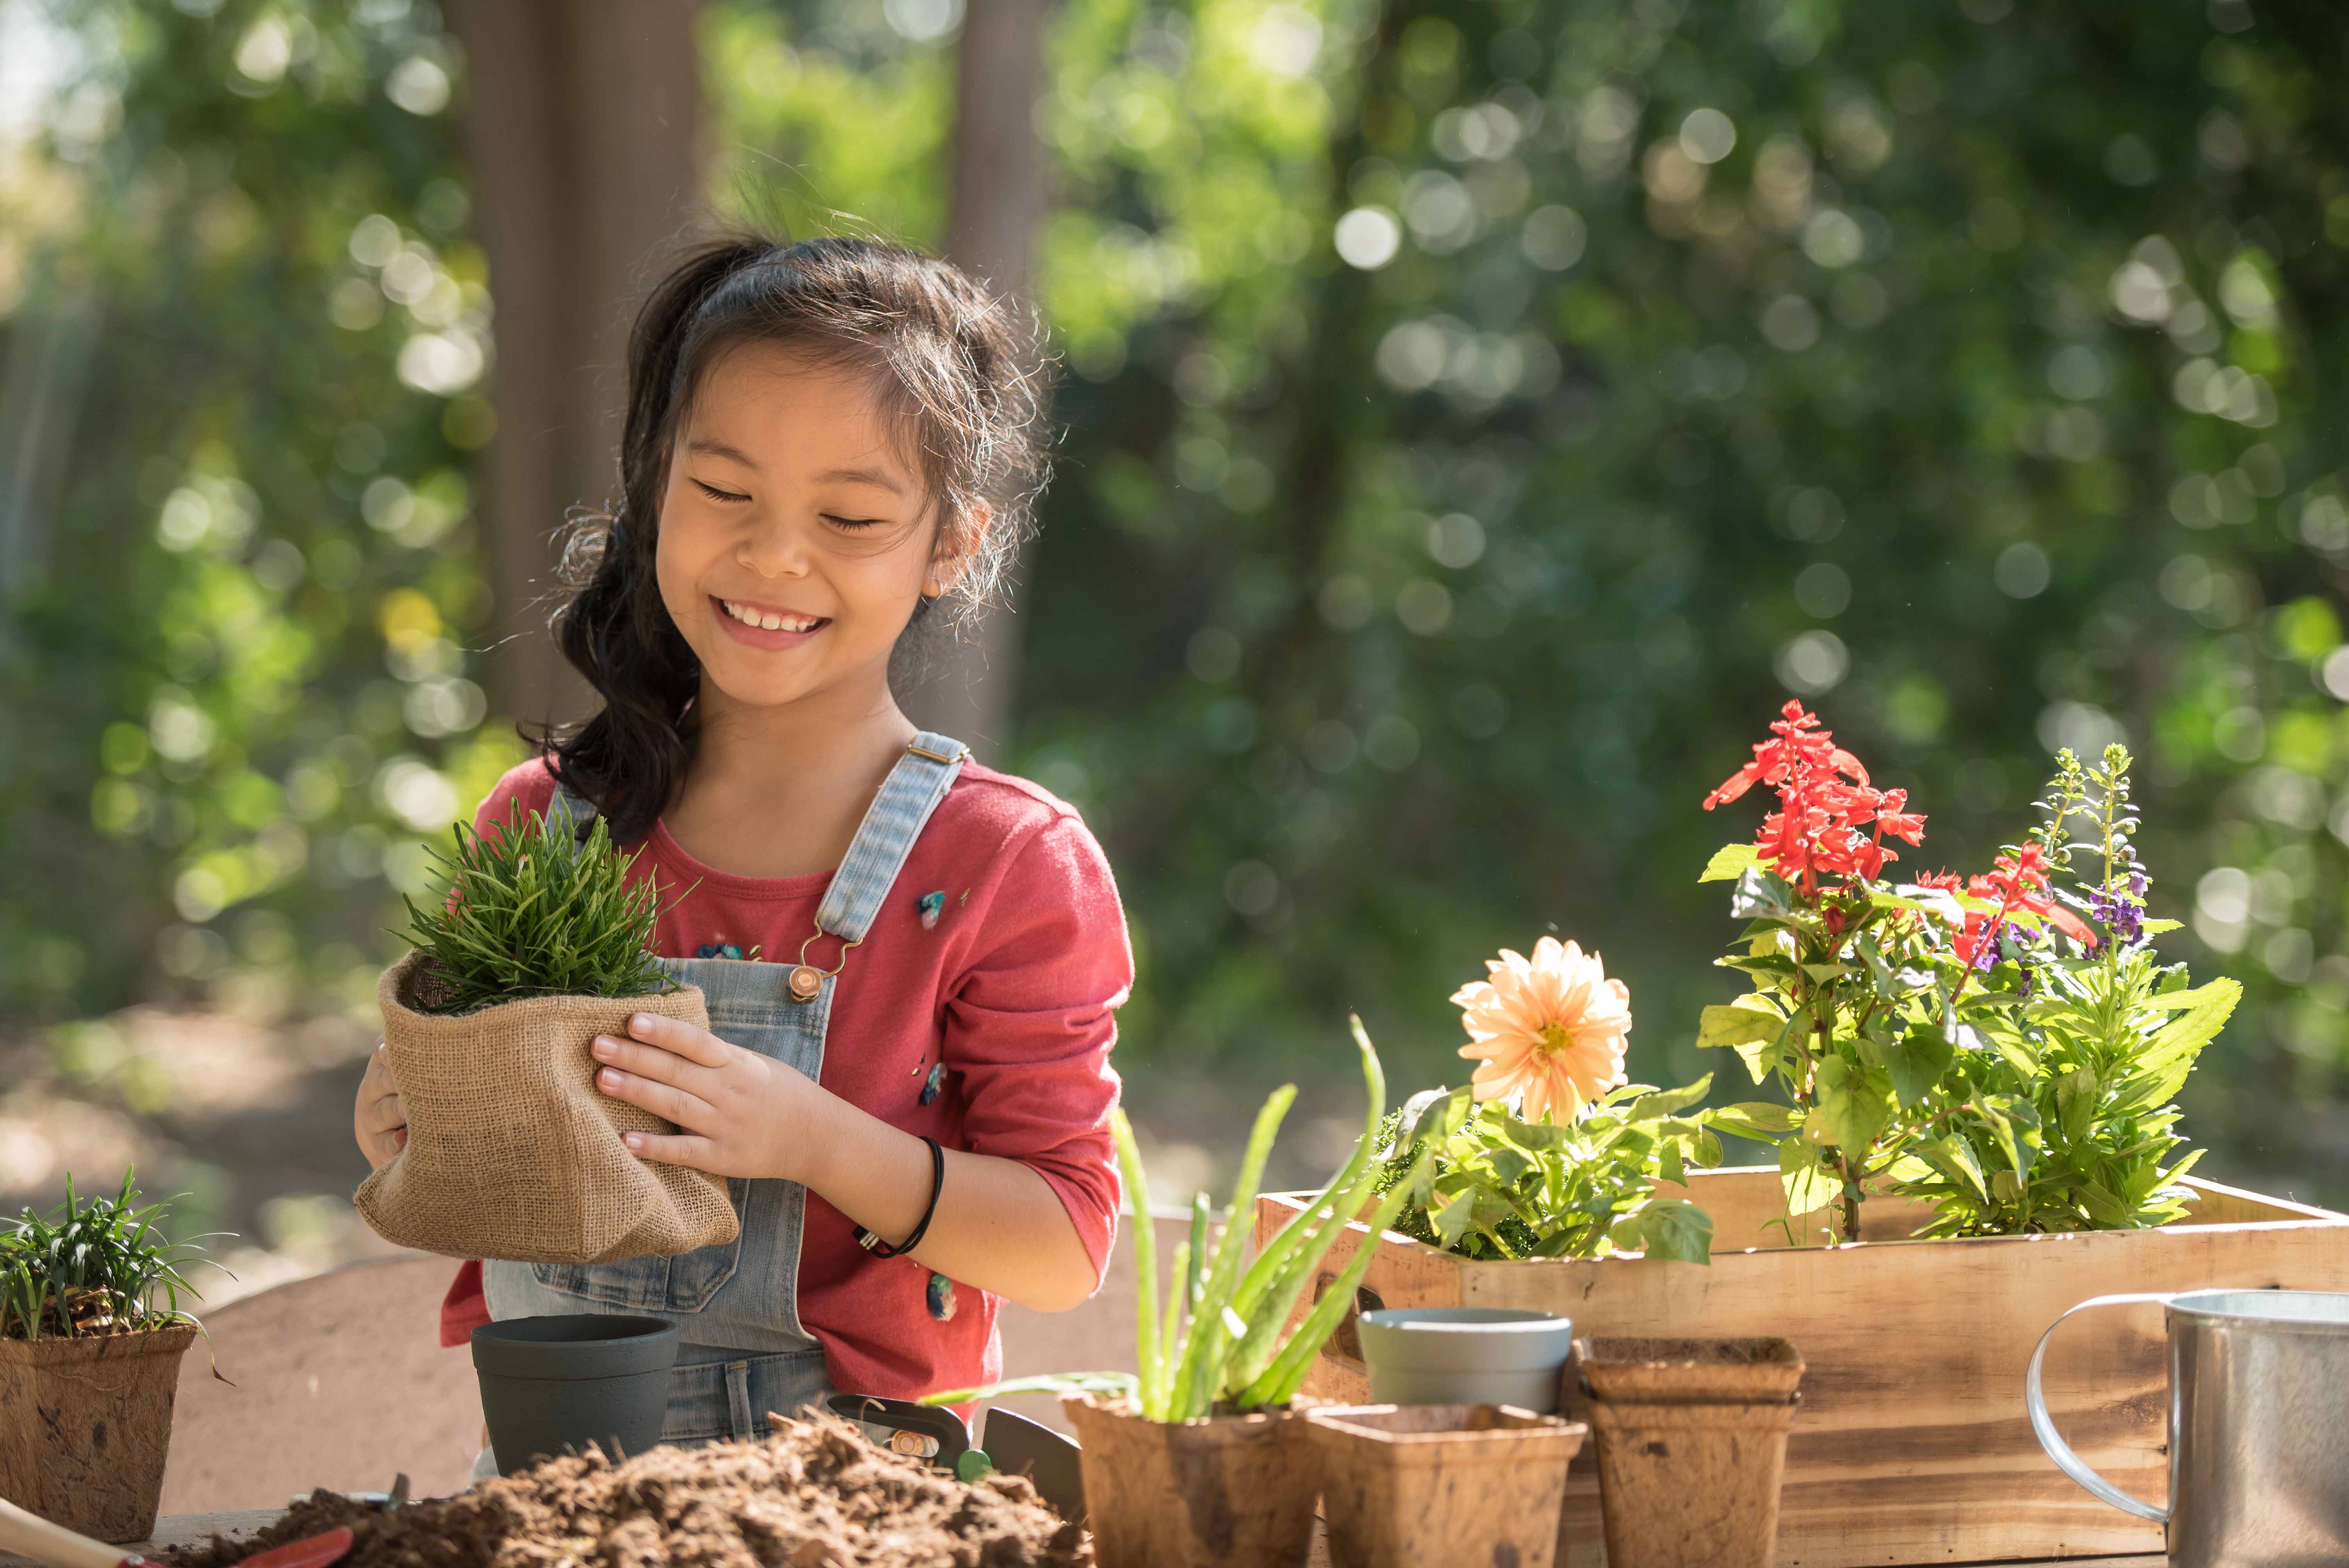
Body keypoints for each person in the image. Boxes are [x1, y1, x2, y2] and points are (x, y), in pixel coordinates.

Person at [351, 233, 1129, 1450]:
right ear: (657, 482)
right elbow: (466, 1190)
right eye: (723, 492)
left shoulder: (1003, 865)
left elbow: (1063, 1243)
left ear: (952, 542)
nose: (774, 555)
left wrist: (811, 1137)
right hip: (550, 1494)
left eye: (852, 514)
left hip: (863, 1504)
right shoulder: (540, 827)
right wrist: (415, 1125)